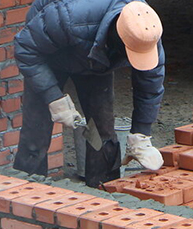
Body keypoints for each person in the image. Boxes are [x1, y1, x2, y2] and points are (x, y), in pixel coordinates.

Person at [13, 0, 165, 186]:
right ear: (119, 37)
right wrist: (53, 97)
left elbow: (150, 86)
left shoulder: (146, 33)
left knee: (101, 132)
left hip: (95, 57)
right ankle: (26, 191)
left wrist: (141, 133)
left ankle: (104, 189)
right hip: (47, 54)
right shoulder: (68, 18)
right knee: (36, 133)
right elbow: (25, 47)